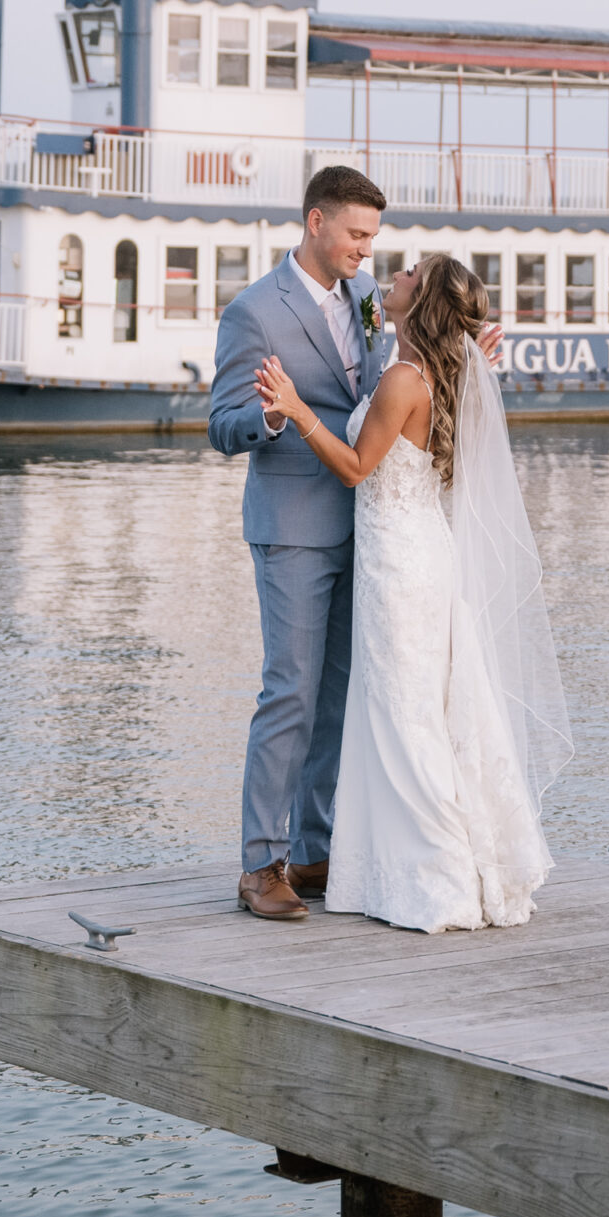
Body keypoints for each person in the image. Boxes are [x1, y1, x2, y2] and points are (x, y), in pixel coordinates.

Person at [254, 254, 572, 933]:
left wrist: (295, 408)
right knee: (409, 709)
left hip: (400, 566)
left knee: (405, 717)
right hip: (413, 556)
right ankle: (398, 867)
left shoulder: (404, 380)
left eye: (407, 277)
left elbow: (353, 468)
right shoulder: (428, 371)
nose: (392, 275)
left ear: (419, 302)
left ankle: (439, 877)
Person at [208, 164, 391, 922]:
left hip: (369, 522)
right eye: (355, 234)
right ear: (315, 222)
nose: (365, 250)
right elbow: (222, 426)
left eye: (373, 238)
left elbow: (379, 389)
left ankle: (317, 853)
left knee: (343, 697)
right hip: (291, 527)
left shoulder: (372, 300)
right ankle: (261, 864)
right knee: (290, 690)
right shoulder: (254, 312)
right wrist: (274, 419)